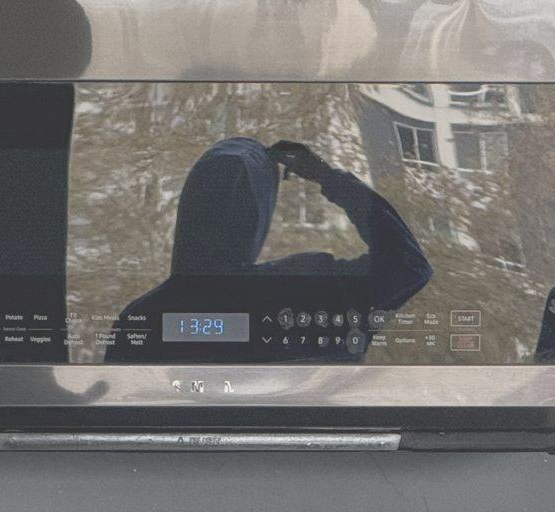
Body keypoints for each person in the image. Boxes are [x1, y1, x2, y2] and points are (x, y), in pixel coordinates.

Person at [106, 137, 432, 362]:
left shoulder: (140, 319)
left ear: (188, 210)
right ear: (259, 214)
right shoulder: (307, 288)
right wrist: (326, 176)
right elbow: (408, 266)